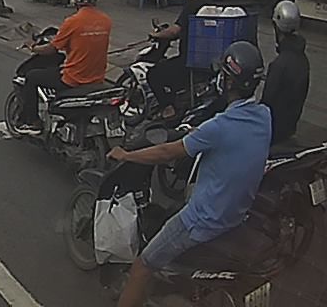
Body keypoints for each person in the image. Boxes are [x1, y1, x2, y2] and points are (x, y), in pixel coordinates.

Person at [107, 41, 271, 307]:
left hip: (202, 220)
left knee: (141, 267)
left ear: (228, 82)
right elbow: (230, 140)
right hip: (236, 214)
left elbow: (166, 152)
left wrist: (126, 155)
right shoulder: (264, 116)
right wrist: (199, 135)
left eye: (222, 74)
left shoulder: (219, 127)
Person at [18, 0, 112, 134]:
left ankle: (33, 122)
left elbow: (51, 49)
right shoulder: (106, 21)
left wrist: (33, 47)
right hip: (97, 78)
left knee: (32, 77)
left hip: (73, 79)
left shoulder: (72, 22)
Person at [146, 0, 211, 117]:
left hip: (188, 62)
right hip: (205, 61)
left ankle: (168, 109)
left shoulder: (191, 5)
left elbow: (175, 30)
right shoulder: (207, 4)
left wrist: (157, 35)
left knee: (153, 74)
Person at [262, 0, 310, 144]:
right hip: (290, 127)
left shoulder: (279, 65)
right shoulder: (302, 59)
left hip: (273, 131)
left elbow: (266, 103)